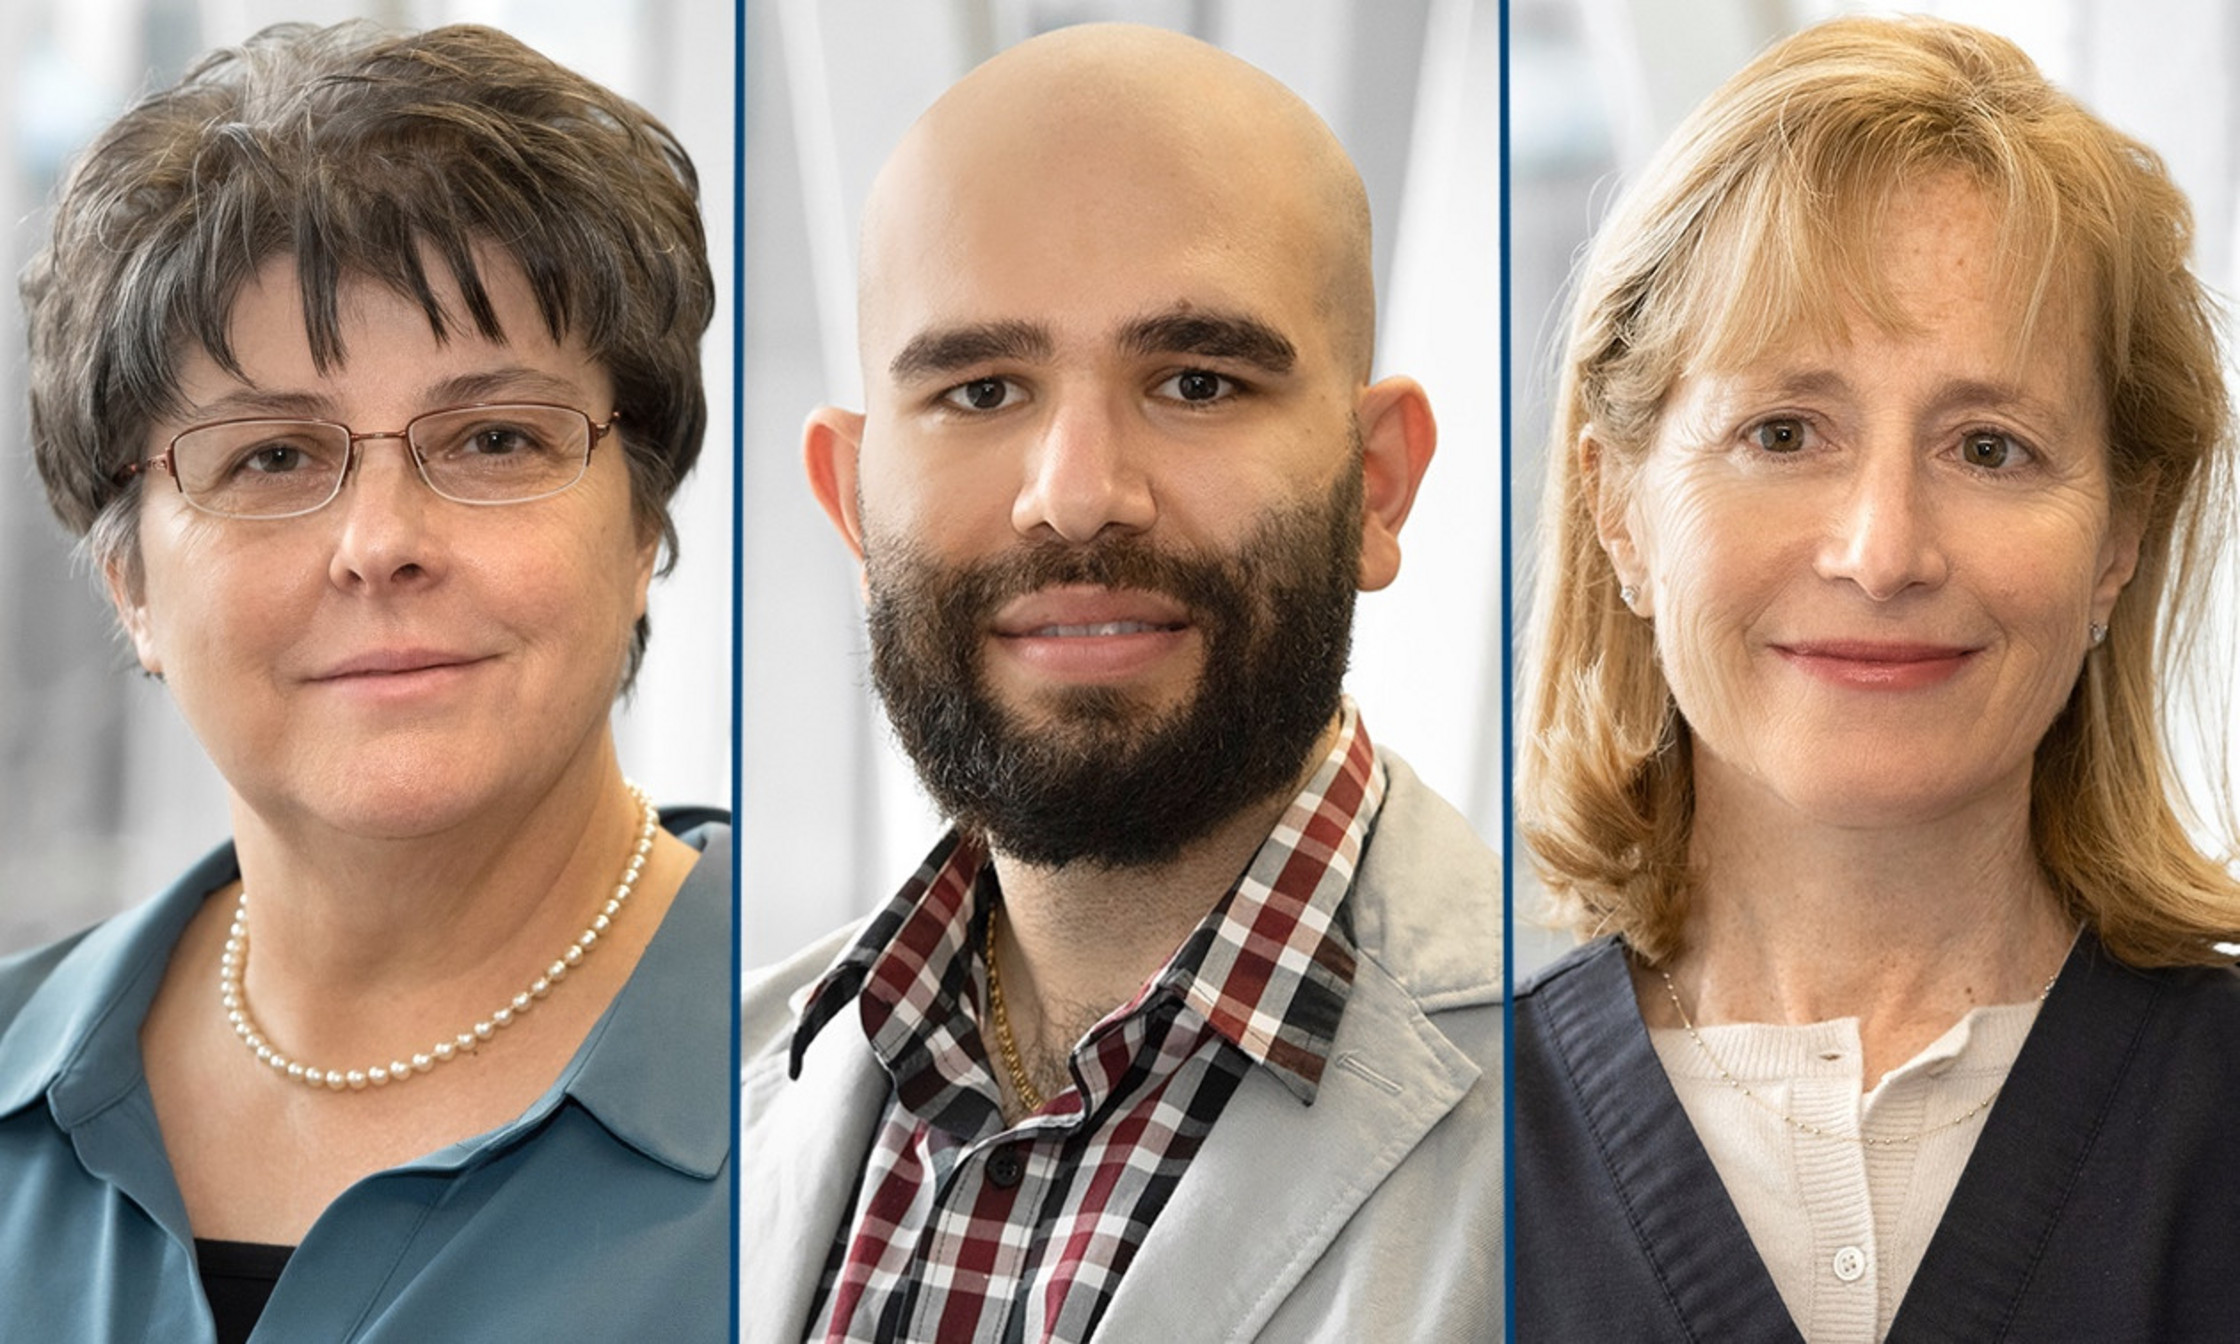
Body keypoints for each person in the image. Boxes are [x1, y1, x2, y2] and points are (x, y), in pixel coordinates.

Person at [739, 23, 1501, 1344]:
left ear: (1377, 483)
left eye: (1196, 381)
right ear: (853, 506)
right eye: (981, 392)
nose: (1079, 494)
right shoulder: (721, 1088)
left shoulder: (1635, 1110)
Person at [1513, 14, 2240, 1341]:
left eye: (1993, 448)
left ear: (2120, 540)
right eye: (1785, 432)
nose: (1883, 550)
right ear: (1617, 505)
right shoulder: (1426, 1146)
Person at [0, 23, 729, 1342]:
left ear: (642, 529)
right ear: (130, 586)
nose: (379, 543)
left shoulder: (864, 1107)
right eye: (272, 457)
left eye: (496, 436)